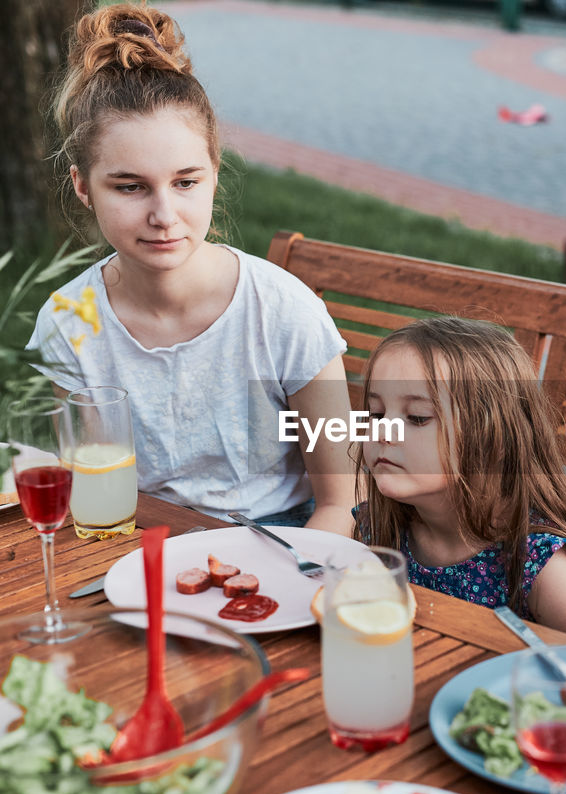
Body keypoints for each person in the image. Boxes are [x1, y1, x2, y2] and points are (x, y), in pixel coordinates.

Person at [29, 3, 354, 533]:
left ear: (214, 173)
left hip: (280, 545)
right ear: (83, 186)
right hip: (138, 545)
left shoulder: (284, 314)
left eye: (186, 182)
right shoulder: (69, 322)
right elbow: (91, 487)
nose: (163, 215)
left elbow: (341, 503)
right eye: (130, 186)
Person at [353, 317, 566, 643]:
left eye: (418, 418)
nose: (382, 430)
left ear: (492, 439)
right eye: (377, 413)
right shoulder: (378, 527)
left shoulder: (538, 564)